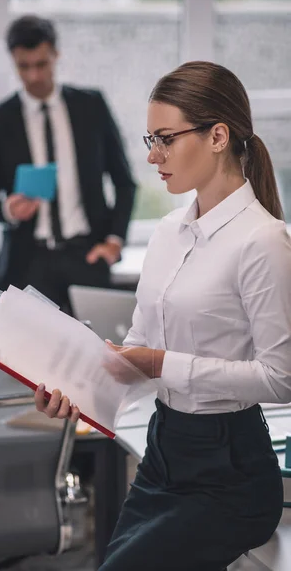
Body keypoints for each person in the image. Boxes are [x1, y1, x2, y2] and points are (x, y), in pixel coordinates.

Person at [34, 61, 291, 570]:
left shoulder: (263, 241)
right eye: (150, 138)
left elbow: (281, 379)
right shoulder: (167, 232)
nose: (153, 156)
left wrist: (162, 364)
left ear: (218, 135)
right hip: (162, 453)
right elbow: (138, 346)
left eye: (166, 139)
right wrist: (76, 393)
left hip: (231, 472)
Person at [0, 15, 136, 307]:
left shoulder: (91, 106)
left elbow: (125, 182)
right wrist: (7, 209)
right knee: (29, 353)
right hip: (26, 264)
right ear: (13, 61)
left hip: (87, 257)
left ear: (55, 55)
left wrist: (115, 240)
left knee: (93, 351)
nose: (34, 76)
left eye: (42, 64)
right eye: (24, 67)